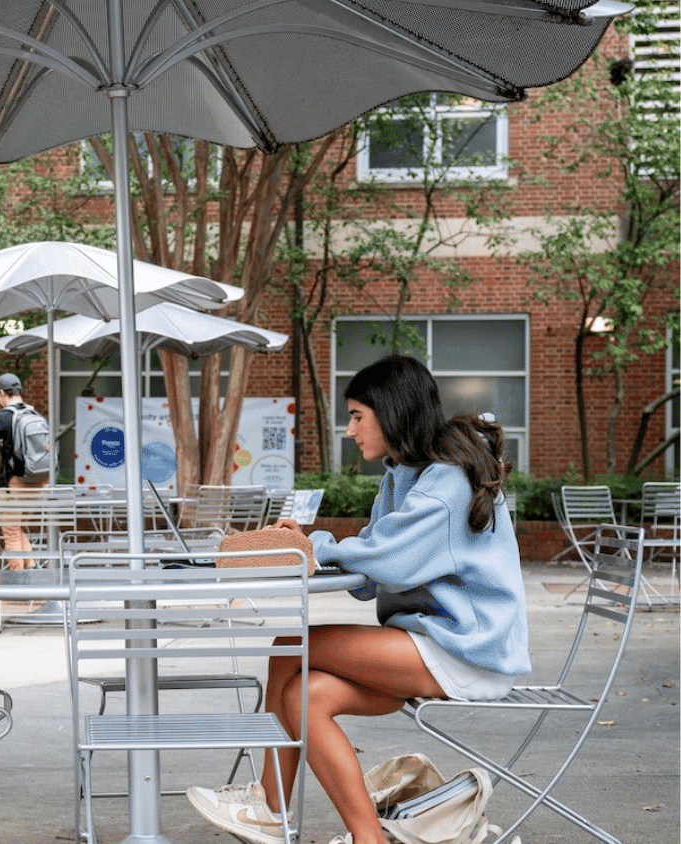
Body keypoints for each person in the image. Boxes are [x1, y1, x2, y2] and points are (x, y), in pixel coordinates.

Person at [186, 354, 529, 844]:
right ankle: (366, 837)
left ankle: (270, 808)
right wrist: (312, 547)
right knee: (306, 695)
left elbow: (387, 560)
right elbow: (371, 574)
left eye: (356, 416)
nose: (350, 430)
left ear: (391, 413)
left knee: (289, 645)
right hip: (427, 641)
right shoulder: (402, 475)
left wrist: (312, 546)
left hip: (468, 648)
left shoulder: (446, 481)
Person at [0, 373, 49, 569]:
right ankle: (31, 569)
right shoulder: (36, 415)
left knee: (11, 532)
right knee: (19, 528)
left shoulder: (2, 417)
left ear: (1, 393)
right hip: (38, 483)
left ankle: (17, 582)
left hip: (14, 484)